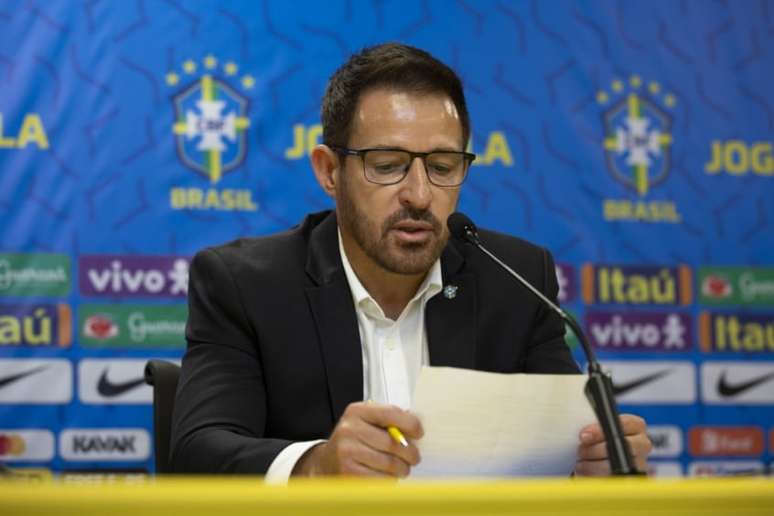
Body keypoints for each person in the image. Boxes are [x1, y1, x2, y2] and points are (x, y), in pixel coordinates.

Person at [170, 43, 651, 480]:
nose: (420, 195)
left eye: (442, 167)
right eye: (387, 165)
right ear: (329, 171)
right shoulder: (246, 285)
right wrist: (315, 466)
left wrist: (591, 464)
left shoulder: (517, 280)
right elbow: (199, 451)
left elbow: (561, 446)